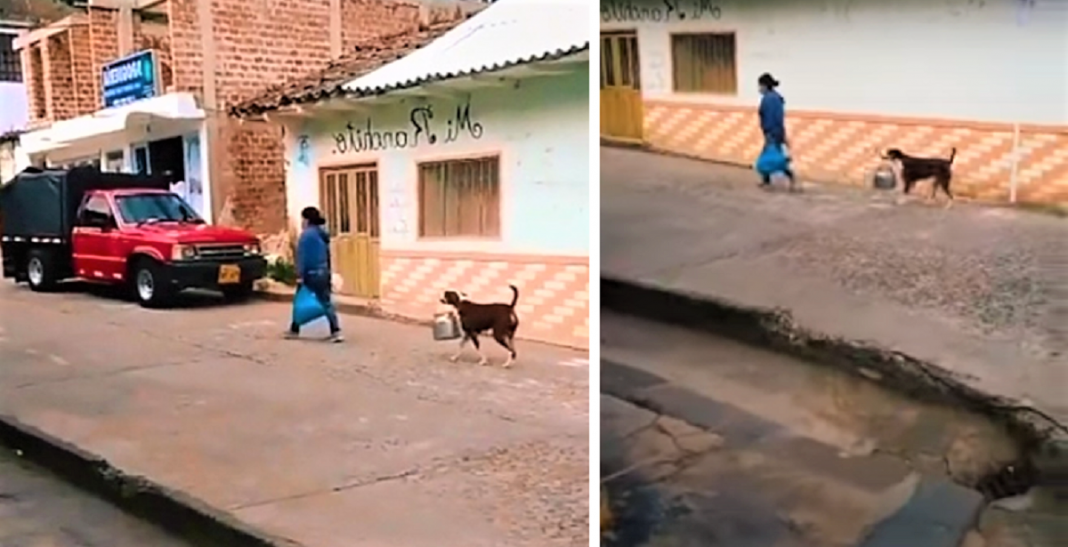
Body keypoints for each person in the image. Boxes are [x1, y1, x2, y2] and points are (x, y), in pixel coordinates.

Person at [286, 206, 343, 342]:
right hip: (323, 271)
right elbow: (327, 256)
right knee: (326, 302)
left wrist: (300, 275)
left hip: (310, 273)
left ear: (306, 220)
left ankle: (295, 329)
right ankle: (335, 330)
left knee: (299, 300)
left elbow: (303, 257)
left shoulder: (306, 236)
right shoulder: (322, 234)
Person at [757, 72, 797, 188]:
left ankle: (786, 175)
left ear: (765, 85)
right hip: (774, 131)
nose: (759, 88)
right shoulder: (774, 98)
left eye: (760, 86)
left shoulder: (771, 99)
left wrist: (774, 132)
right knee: (771, 155)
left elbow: (773, 118)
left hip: (772, 132)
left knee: (771, 157)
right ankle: (767, 179)